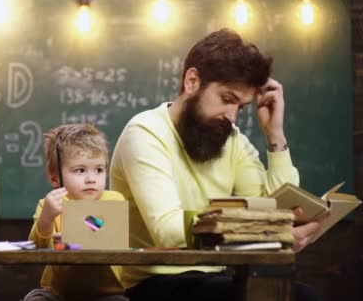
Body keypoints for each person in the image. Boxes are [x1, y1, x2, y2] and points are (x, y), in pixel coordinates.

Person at [109, 28, 326, 301]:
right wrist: (269, 232)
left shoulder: (231, 139)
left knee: (302, 295)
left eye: (241, 107)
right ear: (192, 81)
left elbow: (276, 206)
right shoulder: (144, 133)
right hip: (151, 284)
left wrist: (275, 135)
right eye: (227, 99)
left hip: (213, 280)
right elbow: (169, 233)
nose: (232, 117)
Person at [23, 124, 128, 301]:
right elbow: (37, 249)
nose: (91, 179)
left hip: (107, 293)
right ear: (54, 178)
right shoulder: (49, 205)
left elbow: (107, 236)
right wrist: (46, 219)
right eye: (80, 170)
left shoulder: (113, 200)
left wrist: (73, 242)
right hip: (58, 293)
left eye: (99, 170)